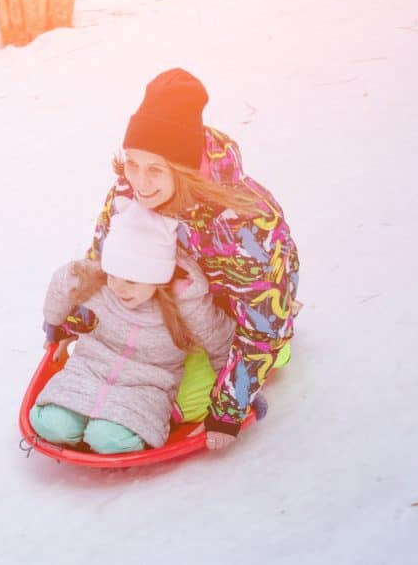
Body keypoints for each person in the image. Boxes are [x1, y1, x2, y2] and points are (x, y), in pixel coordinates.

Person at [87, 68, 300, 452]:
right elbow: (105, 254)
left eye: (155, 169)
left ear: (183, 167)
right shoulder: (130, 189)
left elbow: (261, 325)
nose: (139, 181)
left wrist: (227, 411)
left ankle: (281, 343)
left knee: (178, 404)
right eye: (132, 163)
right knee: (118, 378)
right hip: (169, 309)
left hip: (235, 320)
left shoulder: (247, 225)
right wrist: (82, 312)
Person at [30, 199, 232, 454]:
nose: (118, 288)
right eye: (112, 275)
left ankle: (105, 432)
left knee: (107, 439)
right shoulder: (100, 283)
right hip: (89, 369)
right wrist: (54, 325)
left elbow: (221, 342)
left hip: (146, 387)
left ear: (158, 277)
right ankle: (78, 425)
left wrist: (234, 402)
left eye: (131, 280)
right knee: (51, 426)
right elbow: (64, 280)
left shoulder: (186, 303)